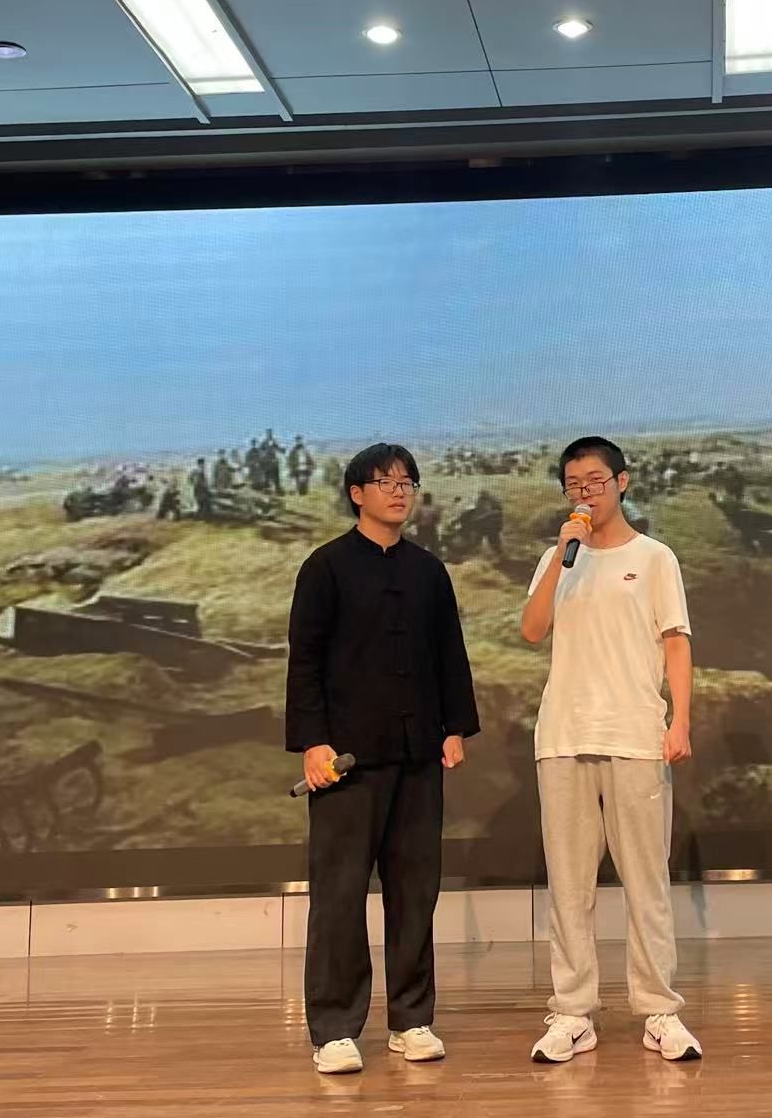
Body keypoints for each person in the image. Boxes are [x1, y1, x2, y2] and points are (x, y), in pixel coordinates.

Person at [286, 443, 480, 1077]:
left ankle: (411, 1019)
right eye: (385, 481)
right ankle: (334, 1029)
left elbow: (450, 654)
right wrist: (312, 741)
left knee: (415, 892)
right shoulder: (326, 567)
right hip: (347, 762)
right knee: (340, 896)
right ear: (356, 494)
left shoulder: (429, 571)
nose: (399, 491)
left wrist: (455, 727)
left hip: (419, 755)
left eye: (407, 482)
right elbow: (304, 661)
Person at [519, 436, 701, 1066]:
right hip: (563, 735)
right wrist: (562, 554)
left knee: (646, 880)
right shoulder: (558, 557)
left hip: (634, 734)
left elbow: (676, 642)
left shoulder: (654, 558)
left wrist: (680, 721)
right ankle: (573, 1011)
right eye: (573, 484)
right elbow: (532, 629)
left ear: (622, 482)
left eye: (595, 481)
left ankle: (658, 1011)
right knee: (569, 885)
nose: (585, 493)